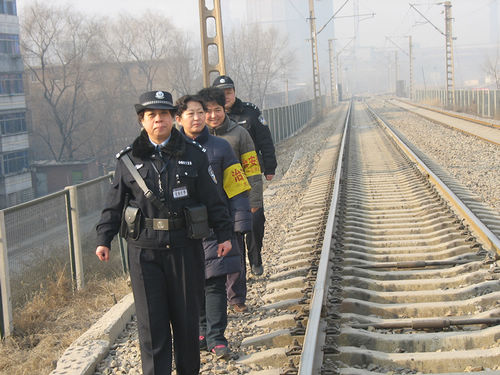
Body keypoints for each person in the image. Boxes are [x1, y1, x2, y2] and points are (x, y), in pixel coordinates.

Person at [95, 90, 233, 375]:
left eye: (164, 114)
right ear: (142, 122)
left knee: (186, 323)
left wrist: (224, 234)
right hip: (144, 253)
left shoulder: (194, 155)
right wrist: (103, 239)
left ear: (173, 118)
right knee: (152, 326)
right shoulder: (129, 161)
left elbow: (213, 199)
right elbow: (114, 204)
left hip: (184, 250)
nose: (159, 120)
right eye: (152, 116)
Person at [175, 94, 252, 360]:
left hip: (216, 225)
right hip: (184, 230)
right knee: (193, 284)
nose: (198, 118)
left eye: (201, 113)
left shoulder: (221, 148)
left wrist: (240, 220)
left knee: (216, 283)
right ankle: (200, 333)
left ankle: (217, 338)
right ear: (179, 119)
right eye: (192, 114)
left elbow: (238, 187)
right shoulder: (172, 150)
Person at [198, 87, 262, 313]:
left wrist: (254, 200)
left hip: (233, 202)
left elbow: (252, 169)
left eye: (217, 110)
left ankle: (236, 299)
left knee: (235, 252)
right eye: (207, 111)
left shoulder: (240, 135)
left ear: (224, 109)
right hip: (204, 208)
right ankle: (212, 302)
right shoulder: (191, 137)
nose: (212, 115)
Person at [212, 75, 277, 276]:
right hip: (222, 183)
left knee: (255, 219)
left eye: (229, 92)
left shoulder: (250, 113)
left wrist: (270, 167)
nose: (226, 96)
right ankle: (236, 270)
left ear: (234, 92)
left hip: (249, 175)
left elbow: (265, 139)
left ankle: (255, 260)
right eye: (221, 94)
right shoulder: (210, 118)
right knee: (233, 226)